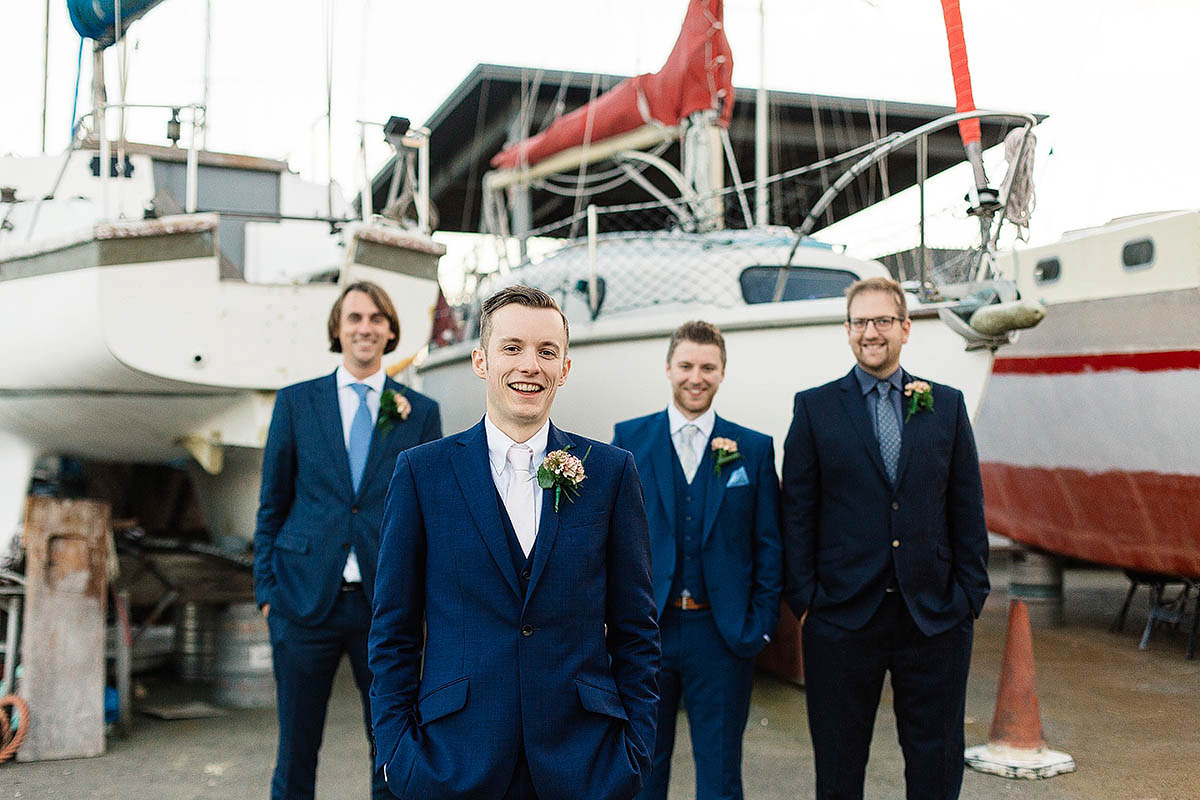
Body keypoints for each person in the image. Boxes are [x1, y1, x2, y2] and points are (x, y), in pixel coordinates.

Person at [369, 285, 660, 800]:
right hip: (452, 762)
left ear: (564, 368)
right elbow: (393, 631)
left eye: (547, 352)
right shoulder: (422, 473)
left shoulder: (611, 473)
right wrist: (395, 752)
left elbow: (636, 629)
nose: (531, 365)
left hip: (585, 764)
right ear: (481, 361)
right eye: (513, 348)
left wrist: (635, 750)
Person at [781, 276, 990, 800]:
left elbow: (966, 506)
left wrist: (969, 597)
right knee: (838, 764)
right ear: (847, 330)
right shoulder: (815, 408)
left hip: (935, 616)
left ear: (905, 328)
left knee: (936, 764)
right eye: (859, 322)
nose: (869, 332)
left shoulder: (946, 405)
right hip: (842, 617)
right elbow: (797, 513)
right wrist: (807, 601)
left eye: (881, 321)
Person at [253, 281, 442, 800]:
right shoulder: (296, 402)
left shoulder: (419, 412)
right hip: (302, 601)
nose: (366, 328)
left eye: (377, 318)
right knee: (295, 749)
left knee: (391, 745)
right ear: (338, 327)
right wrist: (268, 594)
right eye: (355, 317)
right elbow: (272, 504)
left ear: (390, 331)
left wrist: (425, 608)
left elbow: (430, 520)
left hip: (386, 608)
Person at [612, 321, 782, 800]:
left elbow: (769, 544)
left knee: (721, 774)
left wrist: (759, 625)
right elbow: (612, 540)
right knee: (642, 768)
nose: (696, 377)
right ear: (668, 367)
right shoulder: (629, 439)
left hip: (722, 635)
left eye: (708, 367)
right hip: (649, 632)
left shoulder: (753, 448)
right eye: (686, 365)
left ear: (722, 372)